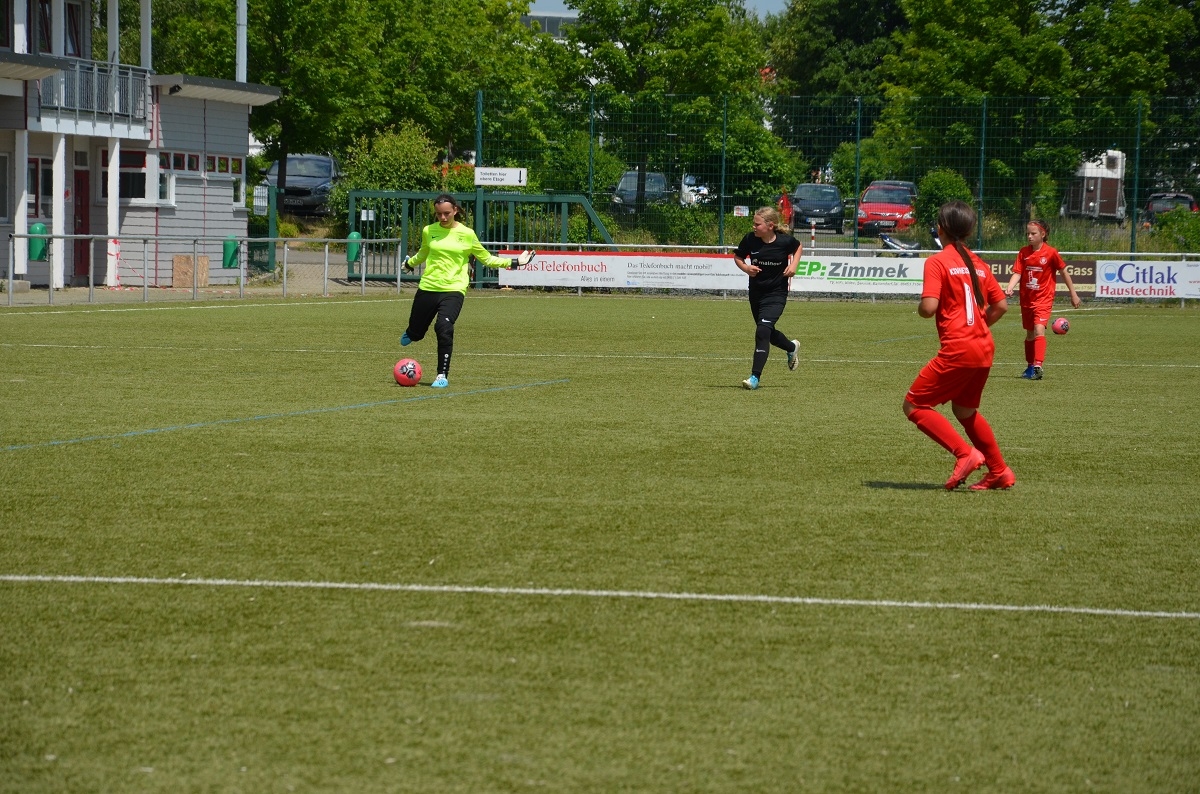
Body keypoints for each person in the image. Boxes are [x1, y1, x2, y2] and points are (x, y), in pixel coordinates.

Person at [903, 200, 1015, 490]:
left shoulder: (937, 261)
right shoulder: (979, 264)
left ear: (940, 229)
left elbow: (928, 308)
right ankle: (999, 471)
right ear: (968, 231)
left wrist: (921, 308)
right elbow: (1001, 305)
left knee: (914, 405)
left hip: (959, 349)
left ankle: (965, 453)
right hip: (984, 347)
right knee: (965, 410)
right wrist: (976, 327)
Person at [399, 194, 532, 388]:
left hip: (454, 289)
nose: (443, 217)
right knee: (417, 333)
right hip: (428, 287)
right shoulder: (429, 230)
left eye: (446, 213)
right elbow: (424, 252)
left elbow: (486, 258)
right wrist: (410, 264)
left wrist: (514, 262)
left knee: (444, 327)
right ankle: (412, 333)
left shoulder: (467, 234)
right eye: (438, 214)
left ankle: (441, 375)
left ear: (455, 210)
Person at [732, 206, 801, 390]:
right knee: (767, 332)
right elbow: (738, 257)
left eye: (757, 224)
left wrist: (794, 265)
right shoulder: (750, 239)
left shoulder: (784, 241)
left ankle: (754, 378)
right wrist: (746, 268)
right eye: (754, 224)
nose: (753, 227)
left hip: (776, 294)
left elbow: (798, 247)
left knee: (762, 331)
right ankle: (791, 347)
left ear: (770, 226)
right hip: (756, 293)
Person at [1004, 220, 1082, 380]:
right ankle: (1030, 367)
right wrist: (1010, 287)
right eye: (1028, 233)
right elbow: (1018, 272)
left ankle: (1038, 365)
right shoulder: (1023, 252)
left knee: (1039, 329)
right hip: (1027, 300)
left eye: (1033, 233)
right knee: (1029, 334)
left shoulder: (1051, 253)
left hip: (1043, 300)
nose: (1029, 236)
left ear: (1043, 234)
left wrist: (1073, 294)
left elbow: (1064, 272)